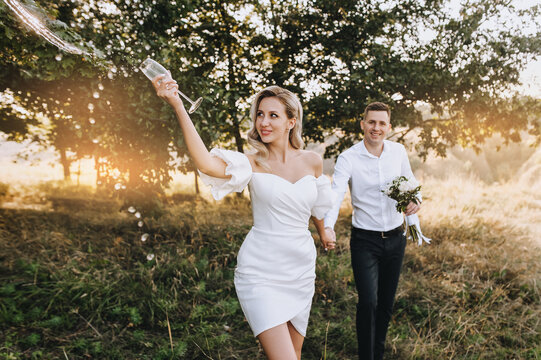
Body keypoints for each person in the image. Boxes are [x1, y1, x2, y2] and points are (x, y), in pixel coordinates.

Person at [152, 75, 336, 360]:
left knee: (294, 355)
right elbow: (205, 163)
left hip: (300, 270)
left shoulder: (312, 160)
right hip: (261, 272)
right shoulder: (250, 162)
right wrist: (177, 104)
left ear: (291, 121)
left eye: (273, 115)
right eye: (259, 115)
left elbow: (317, 204)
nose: (263, 122)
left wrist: (324, 231)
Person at [321, 102, 421, 360]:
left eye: (382, 123)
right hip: (365, 241)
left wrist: (415, 201)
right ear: (363, 123)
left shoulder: (398, 152)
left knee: (386, 304)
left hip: (396, 238)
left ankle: (378, 353)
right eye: (372, 122)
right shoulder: (348, 158)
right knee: (368, 302)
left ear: (389, 127)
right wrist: (328, 227)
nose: (376, 128)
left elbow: (411, 183)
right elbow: (335, 195)